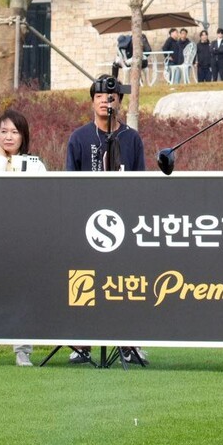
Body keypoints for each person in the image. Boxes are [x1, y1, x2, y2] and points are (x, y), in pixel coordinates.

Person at [65, 75, 147, 365]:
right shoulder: (79, 138)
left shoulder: (131, 139)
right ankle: (81, 345)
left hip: (123, 224)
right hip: (87, 224)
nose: (105, 101)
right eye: (99, 96)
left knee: (124, 284)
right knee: (84, 281)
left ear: (119, 103)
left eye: (110, 97)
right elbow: (69, 184)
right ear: (92, 102)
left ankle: (128, 344)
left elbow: (141, 183)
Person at [0, 109, 46, 367]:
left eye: (14, 132)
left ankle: (22, 350)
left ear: (23, 136)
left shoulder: (35, 165)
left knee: (22, 293)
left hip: (23, 239)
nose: (8, 137)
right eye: (4, 131)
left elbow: (42, 201)